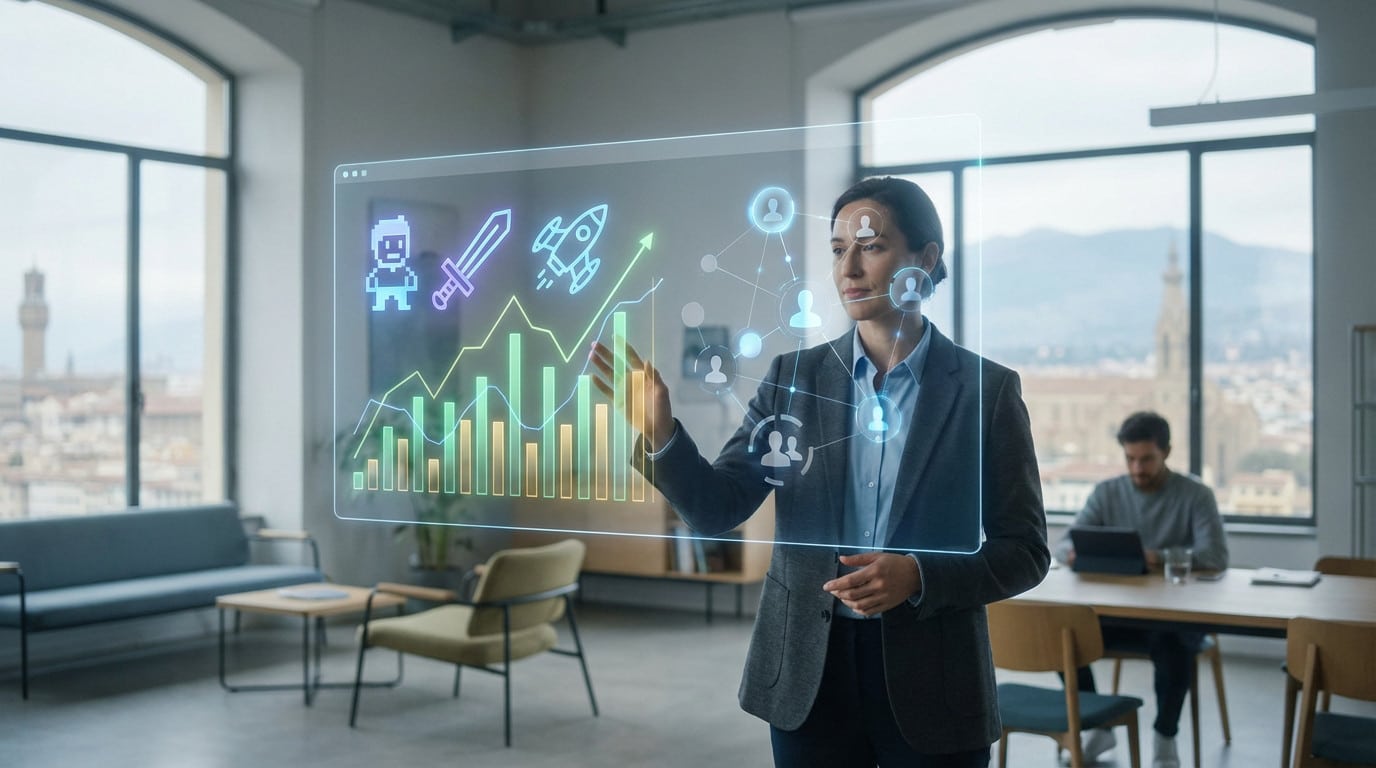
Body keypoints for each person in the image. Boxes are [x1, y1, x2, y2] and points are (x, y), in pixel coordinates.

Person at [590, 176, 1049, 767]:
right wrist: (660, 433)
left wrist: (918, 576)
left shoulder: (987, 392)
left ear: (925, 258)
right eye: (837, 250)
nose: (848, 269)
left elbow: (1025, 551)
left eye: (871, 246)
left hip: (935, 676)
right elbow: (717, 509)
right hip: (809, 675)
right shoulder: (792, 379)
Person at [1054, 411, 1228, 768]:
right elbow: (1064, 545)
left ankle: (1165, 738)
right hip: (1116, 612)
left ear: (1167, 452)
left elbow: (1215, 556)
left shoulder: (1195, 494)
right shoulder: (1107, 492)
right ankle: (1099, 726)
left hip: (1172, 615)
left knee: (1173, 642)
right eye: (1130, 458)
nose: (1137, 468)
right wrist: (1075, 552)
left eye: (1146, 459)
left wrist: (1156, 556)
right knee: (1062, 634)